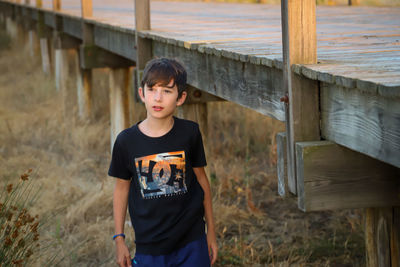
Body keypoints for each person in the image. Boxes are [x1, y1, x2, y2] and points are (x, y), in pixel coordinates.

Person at [108, 57, 217, 267]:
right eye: (152, 89)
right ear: (142, 93)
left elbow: (202, 182)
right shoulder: (126, 141)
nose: (158, 98)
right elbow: (121, 189)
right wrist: (119, 238)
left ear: (181, 97)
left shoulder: (190, 133)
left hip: (191, 242)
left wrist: (210, 232)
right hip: (150, 247)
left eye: (167, 91)